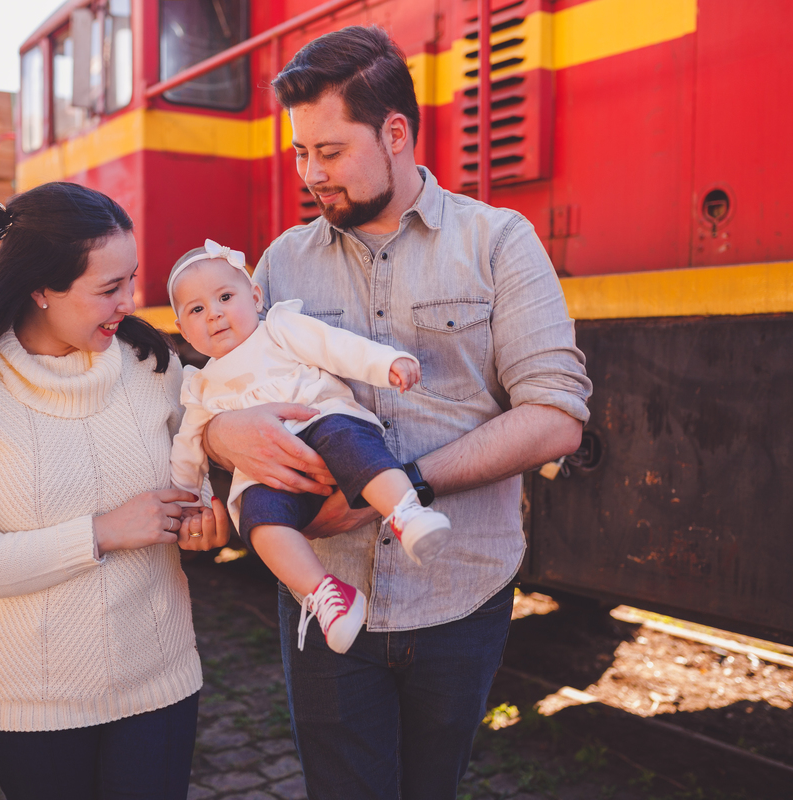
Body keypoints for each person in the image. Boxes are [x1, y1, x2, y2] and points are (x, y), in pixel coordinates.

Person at [202, 26, 593, 800]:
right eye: (300, 154)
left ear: (395, 132)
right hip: (326, 599)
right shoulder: (279, 263)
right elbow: (223, 387)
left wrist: (397, 484)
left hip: (460, 595)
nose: (311, 175)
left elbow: (555, 414)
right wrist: (219, 434)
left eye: (330, 152)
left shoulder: (499, 243)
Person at [0, 182, 230, 800]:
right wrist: (103, 532)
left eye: (130, 281)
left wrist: (207, 520)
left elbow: (201, 468)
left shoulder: (153, 364)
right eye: (108, 289)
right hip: (35, 706)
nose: (128, 302)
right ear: (41, 289)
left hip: (161, 683)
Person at [168, 239, 452, 655]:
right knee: (259, 521)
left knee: (350, 441)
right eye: (196, 310)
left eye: (225, 297)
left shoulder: (279, 329)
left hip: (321, 420)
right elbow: (186, 450)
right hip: (270, 474)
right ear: (182, 328)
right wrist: (188, 499)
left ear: (255, 296)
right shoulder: (200, 385)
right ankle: (326, 596)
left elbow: (335, 346)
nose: (214, 313)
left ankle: (405, 512)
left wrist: (384, 362)